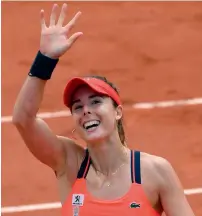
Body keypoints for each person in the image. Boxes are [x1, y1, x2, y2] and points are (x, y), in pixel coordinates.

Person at [12, 3, 195, 216]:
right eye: (77, 107)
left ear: (117, 112)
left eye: (96, 102)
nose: (86, 110)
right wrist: (45, 60)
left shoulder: (154, 172)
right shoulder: (69, 162)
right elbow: (23, 120)